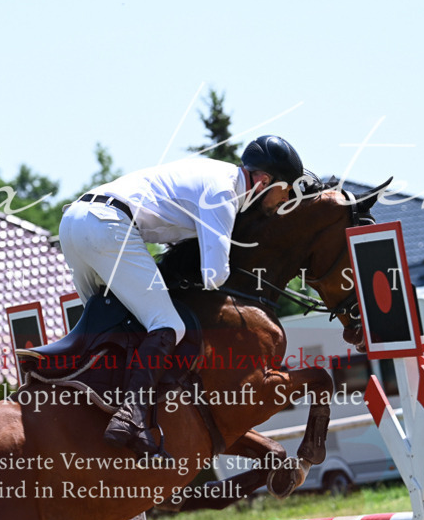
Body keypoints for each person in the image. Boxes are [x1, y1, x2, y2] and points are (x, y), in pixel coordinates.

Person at [58, 135, 306, 459]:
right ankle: (131, 417)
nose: (283, 200)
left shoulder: (212, 173)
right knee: (168, 325)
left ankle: (85, 410)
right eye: (285, 191)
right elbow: (214, 275)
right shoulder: (224, 191)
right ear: (263, 181)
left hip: (73, 222)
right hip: (108, 226)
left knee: (108, 325)